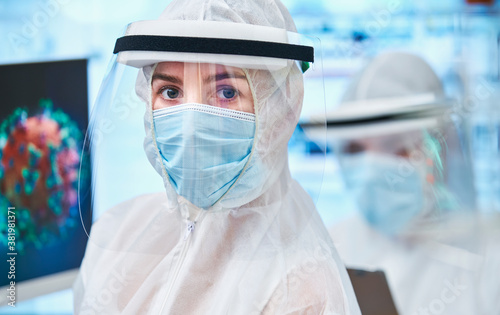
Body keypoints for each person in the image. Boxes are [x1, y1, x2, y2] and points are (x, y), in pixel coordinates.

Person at [73, 0, 361, 314]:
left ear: (279, 108)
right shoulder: (117, 232)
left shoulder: (302, 289)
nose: (190, 123)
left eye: (226, 92)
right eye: (171, 92)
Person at [325, 51, 500, 314]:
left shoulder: (489, 255)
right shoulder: (330, 247)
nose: (372, 170)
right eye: (355, 150)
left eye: (397, 148)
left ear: (442, 149)